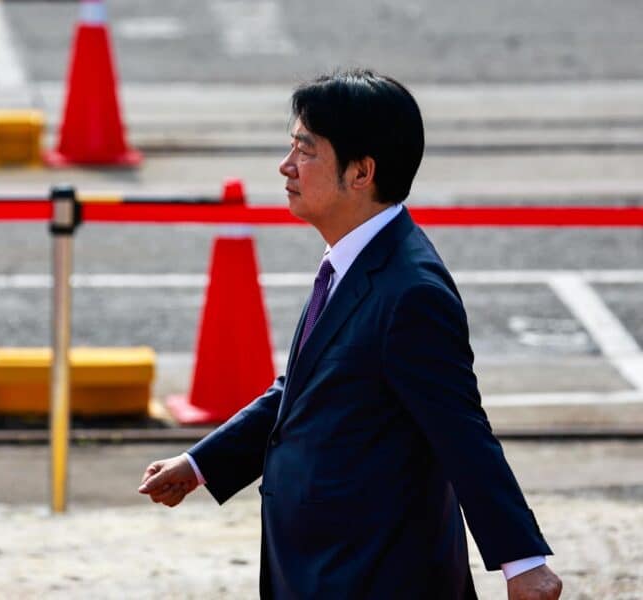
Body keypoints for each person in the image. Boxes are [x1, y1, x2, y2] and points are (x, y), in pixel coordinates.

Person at [138, 70, 563, 599]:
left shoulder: (411, 292)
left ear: (361, 172)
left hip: (374, 575)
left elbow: (463, 434)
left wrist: (521, 562)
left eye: (306, 150)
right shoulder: (352, 262)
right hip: (323, 567)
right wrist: (202, 463)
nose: (286, 166)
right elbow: (301, 388)